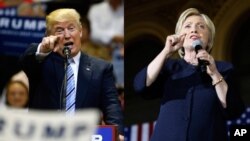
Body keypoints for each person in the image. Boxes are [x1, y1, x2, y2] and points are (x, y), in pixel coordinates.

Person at [134, 8, 245, 141]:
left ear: (209, 39)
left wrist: (215, 74)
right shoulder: (169, 66)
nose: (194, 30)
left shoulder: (223, 69)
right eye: (187, 26)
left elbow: (233, 109)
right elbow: (141, 85)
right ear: (180, 36)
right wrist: (166, 52)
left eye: (201, 26)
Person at [20, 8, 124, 140]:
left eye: (71, 28)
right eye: (59, 30)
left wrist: (118, 133)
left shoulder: (101, 68)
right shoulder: (40, 62)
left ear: (80, 32)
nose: (67, 35)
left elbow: (111, 105)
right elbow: (25, 60)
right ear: (49, 36)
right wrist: (43, 48)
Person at [88, 0, 124, 87]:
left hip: (123, 52)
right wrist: (115, 38)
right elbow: (94, 34)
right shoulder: (96, 9)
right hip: (100, 52)